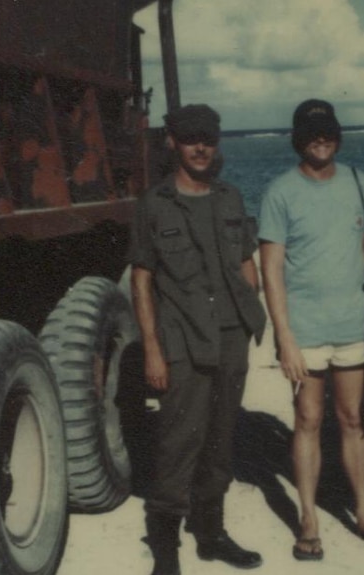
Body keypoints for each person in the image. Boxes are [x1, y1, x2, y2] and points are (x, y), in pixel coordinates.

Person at [129, 104, 267, 575]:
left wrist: (253, 312)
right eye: (191, 138)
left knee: (221, 441)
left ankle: (211, 534)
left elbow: (247, 261)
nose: (201, 147)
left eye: (208, 137)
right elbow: (142, 279)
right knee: (178, 441)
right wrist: (152, 348)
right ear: (172, 142)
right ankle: (166, 547)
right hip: (183, 340)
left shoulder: (230, 198)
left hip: (231, 338)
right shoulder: (155, 204)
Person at [258, 98, 364, 561]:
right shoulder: (280, 191)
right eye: (313, 132)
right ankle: (309, 520)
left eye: (329, 131)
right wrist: (285, 339)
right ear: (299, 138)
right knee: (307, 419)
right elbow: (271, 269)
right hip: (305, 330)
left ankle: (363, 512)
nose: (322, 139)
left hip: (354, 326)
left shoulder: (359, 182)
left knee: (354, 419)